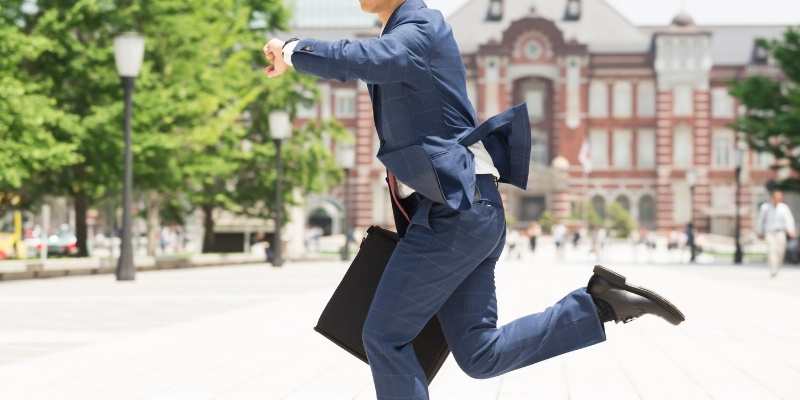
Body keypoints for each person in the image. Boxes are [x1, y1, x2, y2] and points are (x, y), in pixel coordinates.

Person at [263, 1, 684, 398]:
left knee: (383, 335)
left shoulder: (422, 27)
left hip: (455, 213)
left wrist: (294, 50)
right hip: (467, 212)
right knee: (481, 354)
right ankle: (602, 304)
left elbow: (368, 59)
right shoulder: (406, 34)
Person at [755, 190, 797, 277]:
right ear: (772, 198)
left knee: (780, 251)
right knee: (771, 250)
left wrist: (791, 230)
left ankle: (777, 267)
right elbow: (760, 220)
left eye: (780, 197)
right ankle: (773, 269)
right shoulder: (765, 207)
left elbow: (789, 220)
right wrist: (759, 232)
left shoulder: (784, 208)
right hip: (769, 232)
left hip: (780, 232)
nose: (779, 199)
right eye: (777, 197)